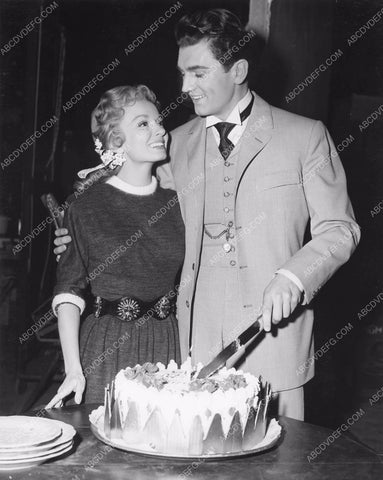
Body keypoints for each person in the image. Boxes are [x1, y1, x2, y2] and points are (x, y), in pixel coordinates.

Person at [54, 9, 360, 420]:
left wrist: (294, 276)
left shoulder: (305, 137)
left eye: (197, 73)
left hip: (276, 349)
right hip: (189, 356)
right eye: (182, 73)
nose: (185, 87)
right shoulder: (175, 144)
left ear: (237, 70)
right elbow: (124, 188)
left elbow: (340, 229)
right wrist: (75, 231)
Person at [46, 85, 184, 408]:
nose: (160, 129)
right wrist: (73, 370)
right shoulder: (85, 207)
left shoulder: (178, 203)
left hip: (167, 349)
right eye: (143, 124)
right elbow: (68, 292)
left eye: (159, 121)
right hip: (106, 351)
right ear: (116, 141)